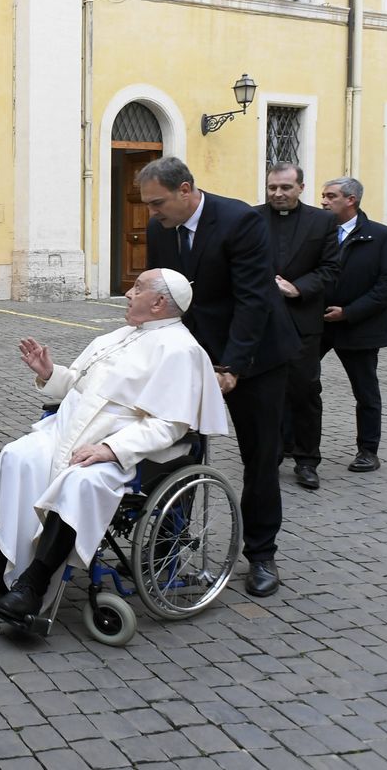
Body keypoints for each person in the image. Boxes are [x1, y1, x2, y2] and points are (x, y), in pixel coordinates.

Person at [0, 268, 228, 622]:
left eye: (137, 288)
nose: (128, 293)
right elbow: (79, 388)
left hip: (133, 453)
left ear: (159, 303)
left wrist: (111, 449)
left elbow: (168, 426)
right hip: (70, 432)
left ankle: (33, 585)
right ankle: (0, 569)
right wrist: (49, 372)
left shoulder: (181, 350)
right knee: (18, 456)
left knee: (80, 480)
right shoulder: (120, 335)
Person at [138, 157, 299, 597]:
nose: (152, 213)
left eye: (158, 203)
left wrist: (232, 367)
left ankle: (262, 555)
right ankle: (169, 547)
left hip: (257, 356)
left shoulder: (239, 220)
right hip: (196, 355)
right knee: (176, 451)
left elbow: (253, 299)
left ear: (186, 190)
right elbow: (163, 296)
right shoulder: (159, 229)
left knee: (260, 458)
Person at [256, 162, 340, 490]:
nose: (278, 193)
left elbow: (331, 268)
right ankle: (269, 456)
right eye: (272, 187)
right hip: (261, 322)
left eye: (285, 188)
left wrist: (298, 288)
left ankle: (307, 461)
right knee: (264, 394)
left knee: (305, 393)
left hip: (302, 321)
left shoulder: (322, 221)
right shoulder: (251, 218)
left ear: (301, 188)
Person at [320, 177, 387, 474]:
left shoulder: (381, 236)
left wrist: (350, 312)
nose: (324, 201)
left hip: (360, 326)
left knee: (365, 392)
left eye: (331, 196)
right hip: (318, 324)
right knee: (299, 382)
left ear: (351, 200)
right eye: (323, 196)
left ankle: (368, 450)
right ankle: (295, 443)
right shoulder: (319, 232)